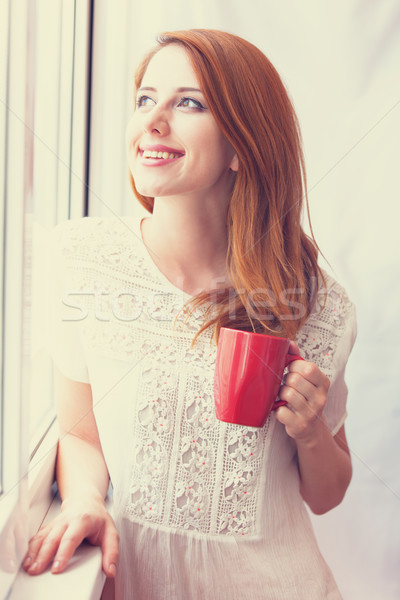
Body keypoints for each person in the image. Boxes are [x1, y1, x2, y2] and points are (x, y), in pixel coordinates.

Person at [23, 29, 356, 599]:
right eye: (146, 99)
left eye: (189, 103)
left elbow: (326, 494)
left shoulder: (316, 300)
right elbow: (81, 432)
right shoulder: (82, 260)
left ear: (240, 145)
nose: (153, 121)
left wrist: (311, 432)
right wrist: (82, 500)